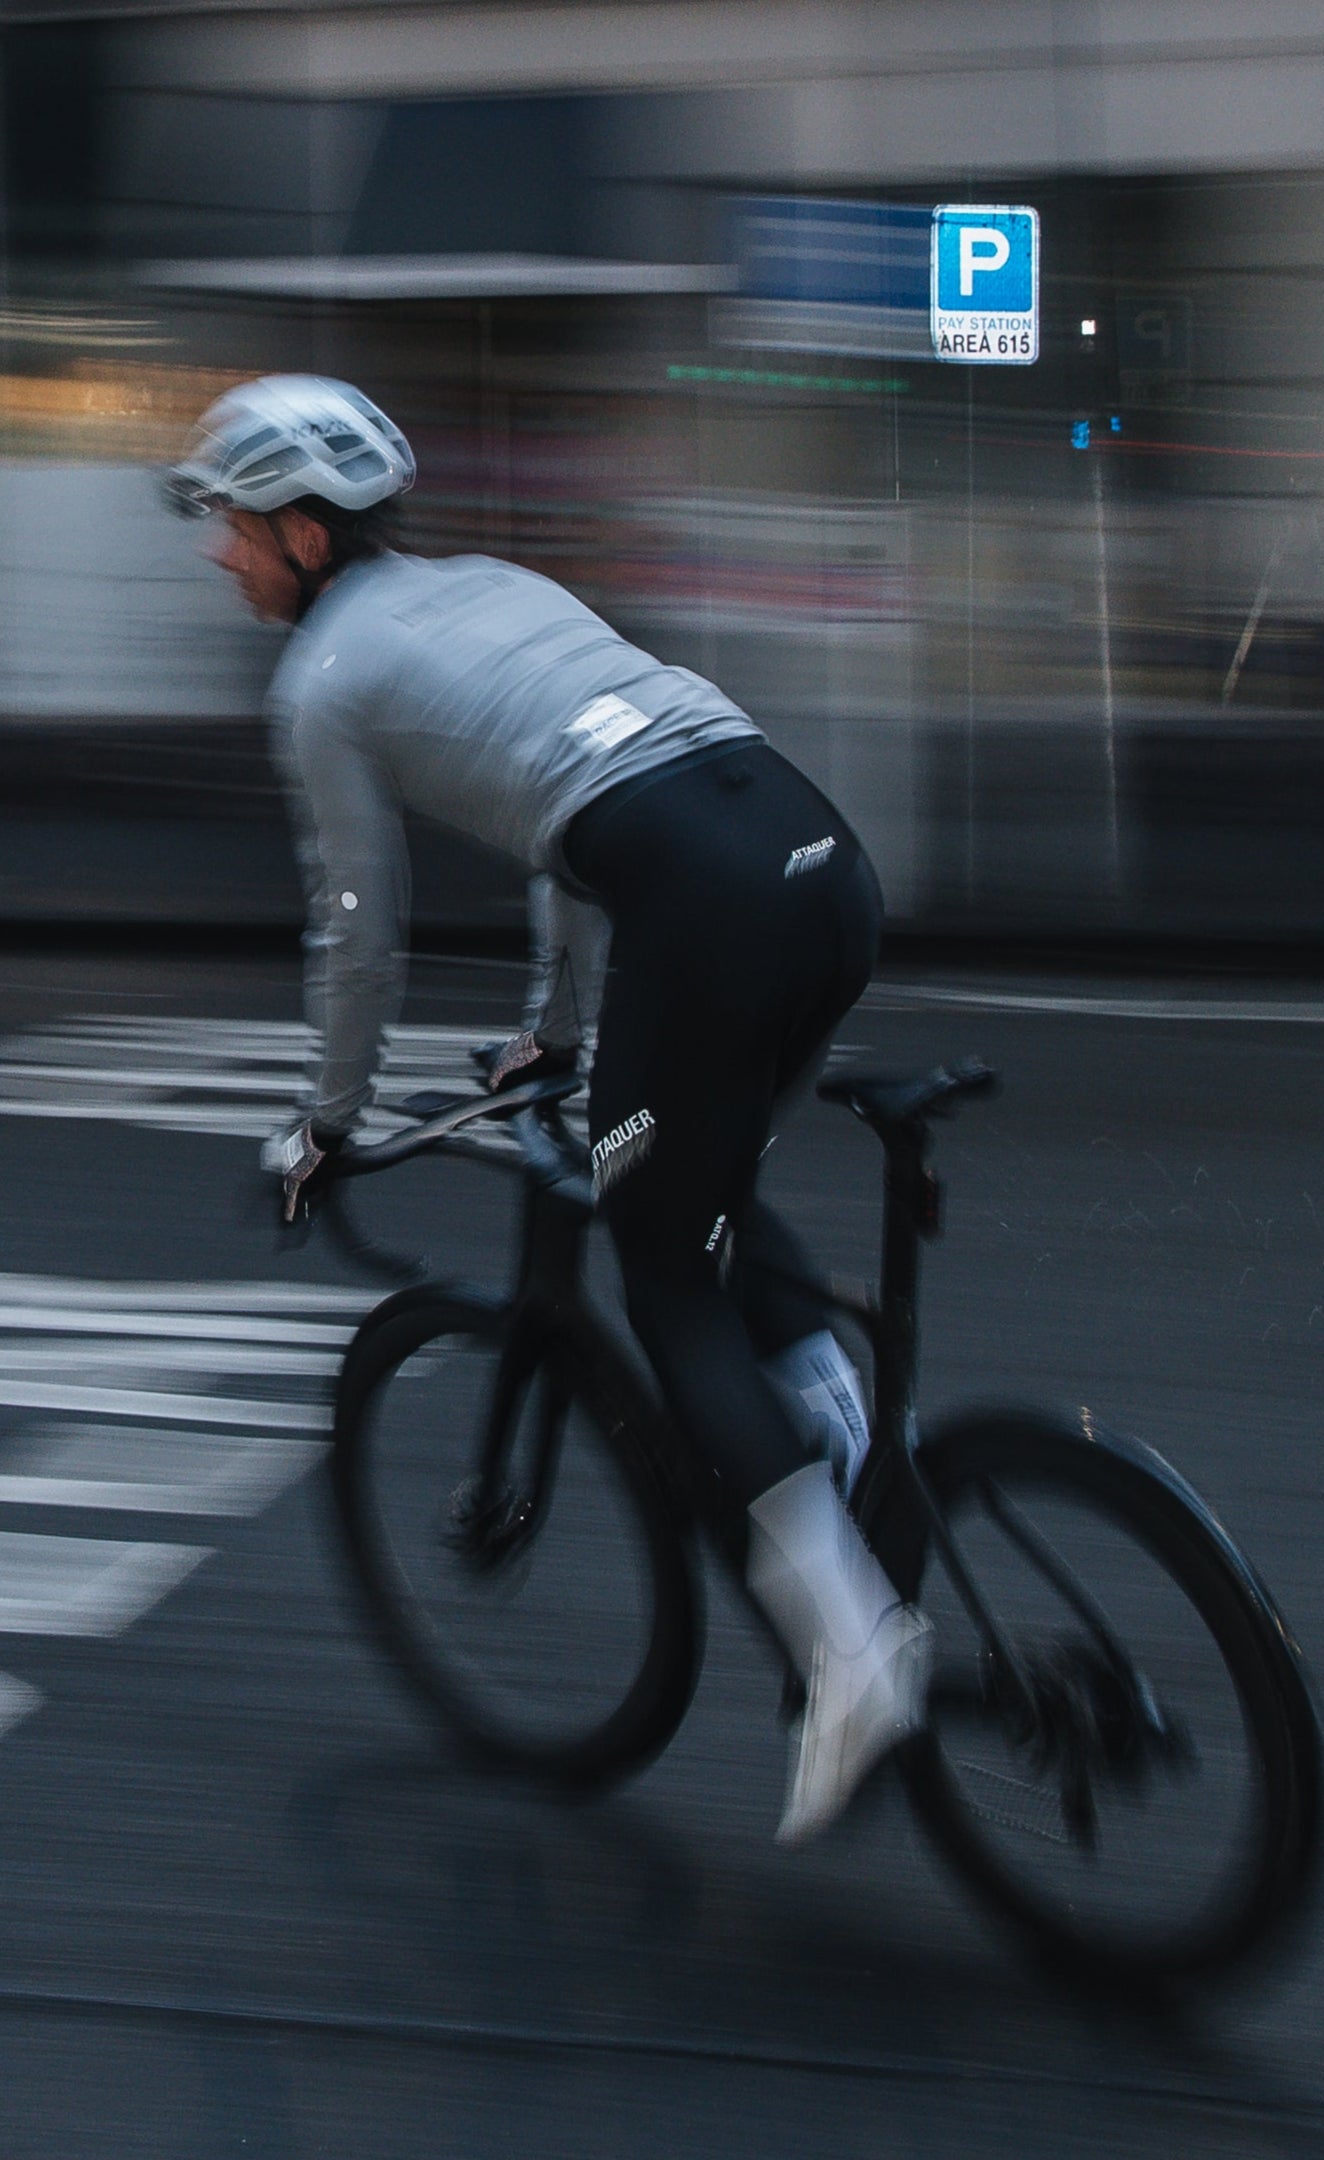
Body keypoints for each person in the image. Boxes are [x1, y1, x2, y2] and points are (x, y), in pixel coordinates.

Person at [166, 374, 931, 1842]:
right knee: (699, 1189)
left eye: (234, 525)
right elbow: (573, 810)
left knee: (660, 1273)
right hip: (818, 865)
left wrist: (328, 1120)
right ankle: (841, 1459)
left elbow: (356, 930)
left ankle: (853, 1652)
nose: (221, 553)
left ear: (308, 539)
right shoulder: (490, 588)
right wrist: (553, 1032)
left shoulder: (321, 688)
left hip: (705, 911)